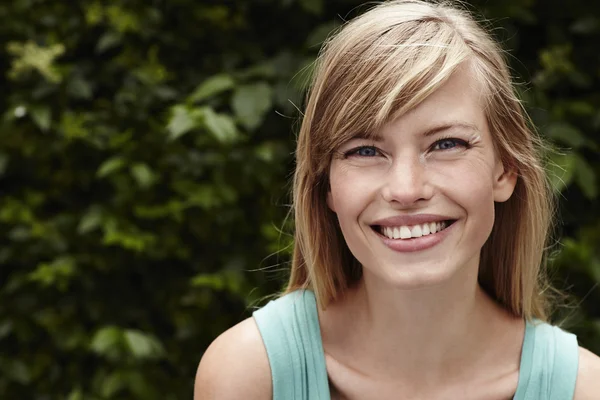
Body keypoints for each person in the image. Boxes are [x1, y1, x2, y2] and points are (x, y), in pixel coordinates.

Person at [195, 1, 600, 398]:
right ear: (327, 186)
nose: (406, 190)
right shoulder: (248, 374)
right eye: (365, 151)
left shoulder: (584, 388)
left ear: (505, 171)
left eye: (446, 143)